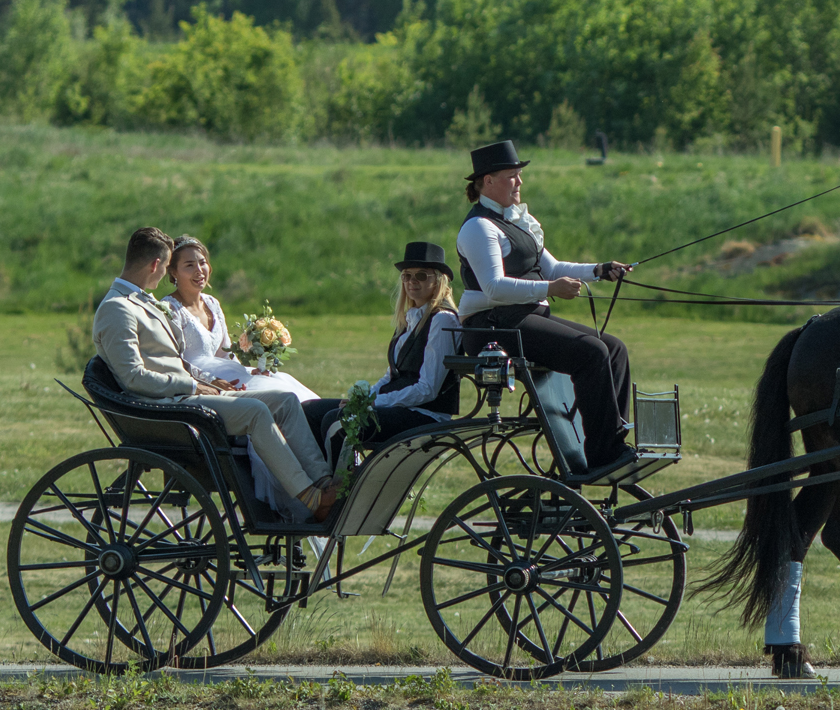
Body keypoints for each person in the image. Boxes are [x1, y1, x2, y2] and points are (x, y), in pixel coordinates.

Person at [93, 227, 339, 521]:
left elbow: (175, 360)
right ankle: (310, 497)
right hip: (168, 406)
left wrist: (203, 381)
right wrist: (194, 387)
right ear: (156, 265)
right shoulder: (117, 309)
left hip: (188, 391)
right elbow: (135, 378)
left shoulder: (142, 301)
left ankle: (324, 481)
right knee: (256, 412)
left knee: (285, 400)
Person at [454, 140, 636, 473]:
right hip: (493, 325)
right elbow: (494, 288)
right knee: (592, 353)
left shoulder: (517, 220)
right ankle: (602, 455)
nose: (520, 183)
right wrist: (550, 289)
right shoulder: (478, 228)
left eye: (519, 175)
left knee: (614, 349)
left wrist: (598, 270)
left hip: (523, 317)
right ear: (488, 181)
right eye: (512, 176)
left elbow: (551, 267)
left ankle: (612, 438)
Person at [319, 242, 464, 458]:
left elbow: (428, 389)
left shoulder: (443, 320)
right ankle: (323, 483)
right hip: (402, 407)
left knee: (337, 420)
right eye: (407, 276)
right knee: (312, 411)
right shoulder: (410, 319)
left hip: (426, 414)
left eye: (421, 275)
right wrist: (365, 399)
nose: (412, 281)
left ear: (439, 280)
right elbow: (391, 376)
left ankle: (342, 487)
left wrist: (376, 403)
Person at [162, 235, 319, 404]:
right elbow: (172, 361)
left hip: (226, 371)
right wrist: (209, 381)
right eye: (189, 265)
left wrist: (245, 371)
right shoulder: (169, 309)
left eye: (202, 262)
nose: (199, 270)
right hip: (200, 380)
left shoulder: (212, 303)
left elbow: (224, 352)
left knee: (280, 381)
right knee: (275, 396)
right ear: (173, 271)